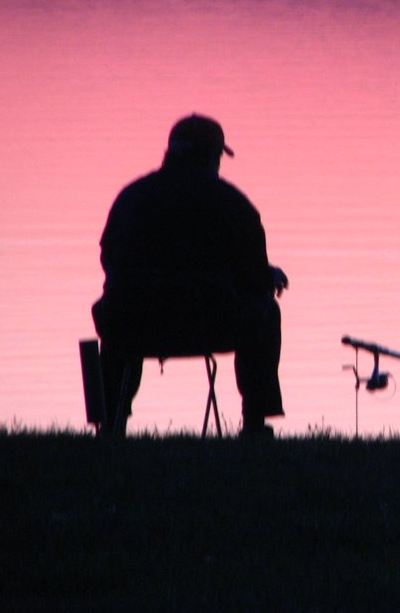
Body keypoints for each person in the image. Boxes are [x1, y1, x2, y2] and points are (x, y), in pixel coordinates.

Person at [92, 114, 287, 439]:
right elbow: (252, 277)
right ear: (212, 156)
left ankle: (110, 423)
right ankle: (254, 422)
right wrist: (269, 276)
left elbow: (109, 260)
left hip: (134, 324)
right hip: (209, 326)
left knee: (120, 307)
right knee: (266, 312)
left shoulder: (131, 198)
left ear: (170, 153)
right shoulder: (233, 204)